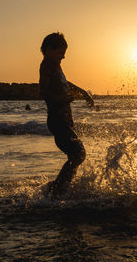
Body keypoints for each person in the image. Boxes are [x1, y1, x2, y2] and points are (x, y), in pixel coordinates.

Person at [39, 32, 94, 195]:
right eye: (61, 53)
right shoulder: (47, 65)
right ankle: (58, 188)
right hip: (57, 120)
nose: (63, 57)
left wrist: (83, 92)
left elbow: (65, 83)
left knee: (76, 155)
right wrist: (60, 99)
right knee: (78, 153)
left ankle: (62, 187)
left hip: (64, 119)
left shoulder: (55, 65)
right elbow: (43, 90)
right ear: (49, 49)